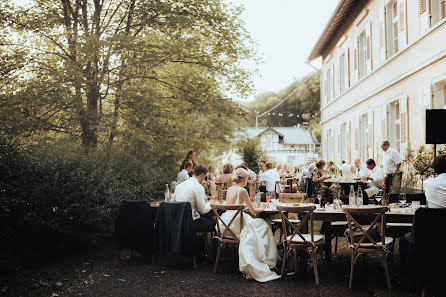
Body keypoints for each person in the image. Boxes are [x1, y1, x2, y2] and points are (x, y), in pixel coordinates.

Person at [219, 168, 280, 282]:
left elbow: (234, 205)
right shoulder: (242, 190)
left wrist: (245, 207)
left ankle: (266, 257)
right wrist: (263, 206)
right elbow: (254, 211)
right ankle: (268, 259)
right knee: (263, 225)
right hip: (237, 224)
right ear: (245, 178)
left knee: (257, 226)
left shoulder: (230, 188)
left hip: (226, 223)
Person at [174, 165, 215, 232]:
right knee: (216, 224)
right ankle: (212, 242)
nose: (205, 179)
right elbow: (203, 211)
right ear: (202, 175)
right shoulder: (198, 187)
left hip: (178, 222)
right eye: (205, 177)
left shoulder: (179, 186)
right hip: (192, 223)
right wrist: (211, 202)